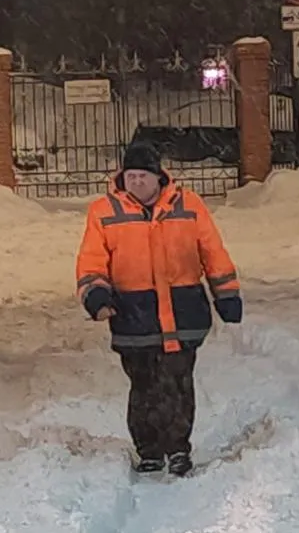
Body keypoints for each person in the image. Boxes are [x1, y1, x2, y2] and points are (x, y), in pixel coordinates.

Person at [74, 140, 240, 476]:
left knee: (178, 381)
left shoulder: (189, 205)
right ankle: (149, 449)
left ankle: (178, 448)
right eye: (131, 175)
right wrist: (96, 296)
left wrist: (226, 294)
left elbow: (213, 252)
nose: (136, 182)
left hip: (183, 312)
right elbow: (92, 260)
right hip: (133, 315)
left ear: (158, 177)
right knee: (144, 384)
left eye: (143, 176)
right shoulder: (104, 212)